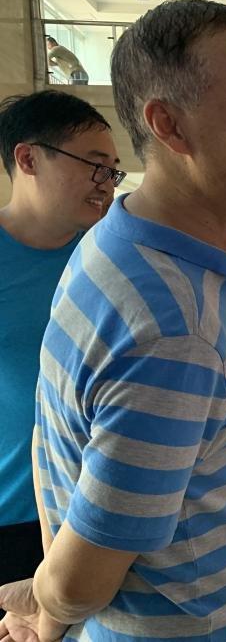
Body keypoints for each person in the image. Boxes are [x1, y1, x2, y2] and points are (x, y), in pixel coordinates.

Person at [0, 0, 226, 641]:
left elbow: (55, 436)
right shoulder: (173, 323)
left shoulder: (119, 238)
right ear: (170, 125)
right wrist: (49, 605)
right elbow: (81, 582)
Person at [0, 91, 118, 600]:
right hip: (12, 516)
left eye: (112, 170)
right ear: (28, 159)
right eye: (93, 164)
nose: (106, 183)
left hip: (95, 509)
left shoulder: (109, 258)